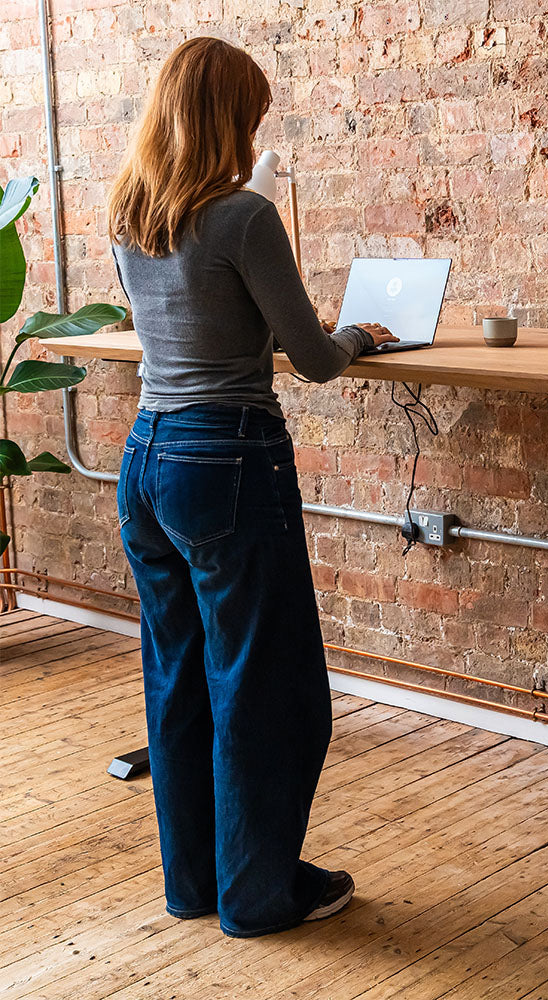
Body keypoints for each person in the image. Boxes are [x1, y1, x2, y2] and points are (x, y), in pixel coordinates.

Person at [107, 36, 398, 938]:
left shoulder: (130, 212)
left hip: (147, 462)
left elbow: (196, 331)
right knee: (267, 687)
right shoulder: (242, 217)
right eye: (253, 116)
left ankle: (198, 883)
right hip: (227, 461)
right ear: (229, 118)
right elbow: (310, 360)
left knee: (182, 675)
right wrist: (357, 334)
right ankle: (262, 895)